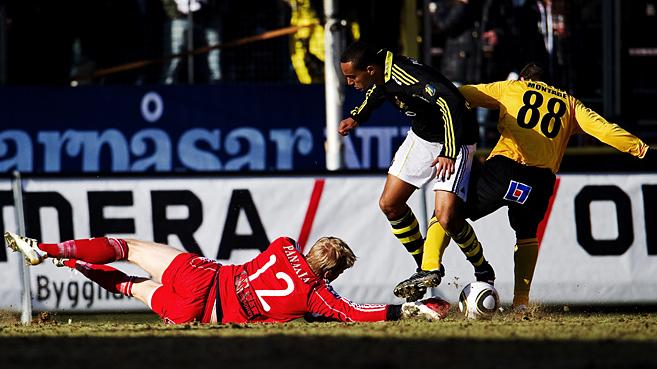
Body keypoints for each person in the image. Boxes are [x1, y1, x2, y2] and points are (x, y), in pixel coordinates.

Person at [398, 62, 650, 308]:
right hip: (539, 183)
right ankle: (521, 303)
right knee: (527, 235)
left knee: (448, 210)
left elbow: (463, 95)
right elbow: (605, 131)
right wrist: (642, 150)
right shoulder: (569, 104)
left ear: (523, 79)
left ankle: (429, 266)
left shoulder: (512, 89)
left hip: (504, 170)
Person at [4, 231, 449, 324]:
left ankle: (49, 251)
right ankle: (75, 266)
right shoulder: (318, 297)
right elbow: (353, 311)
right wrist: (409, 308)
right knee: (128, 286)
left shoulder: (284, 246)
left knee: (127, 249)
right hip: (201, 314)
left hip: (206, 277)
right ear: (330, 272)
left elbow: (295, 264)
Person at [338, 41, 495, 302]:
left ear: (369, 69)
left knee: (447, 218)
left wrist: (448, 151)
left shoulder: (407, 76)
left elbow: (451, 103)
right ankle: (426, 266)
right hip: (422, 139)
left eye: (352, 77)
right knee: (390, 204)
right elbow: (379, 90)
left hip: (455, 139)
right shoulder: (381, 74)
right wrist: (357, 116)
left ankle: (483, 269)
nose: (350, 83)